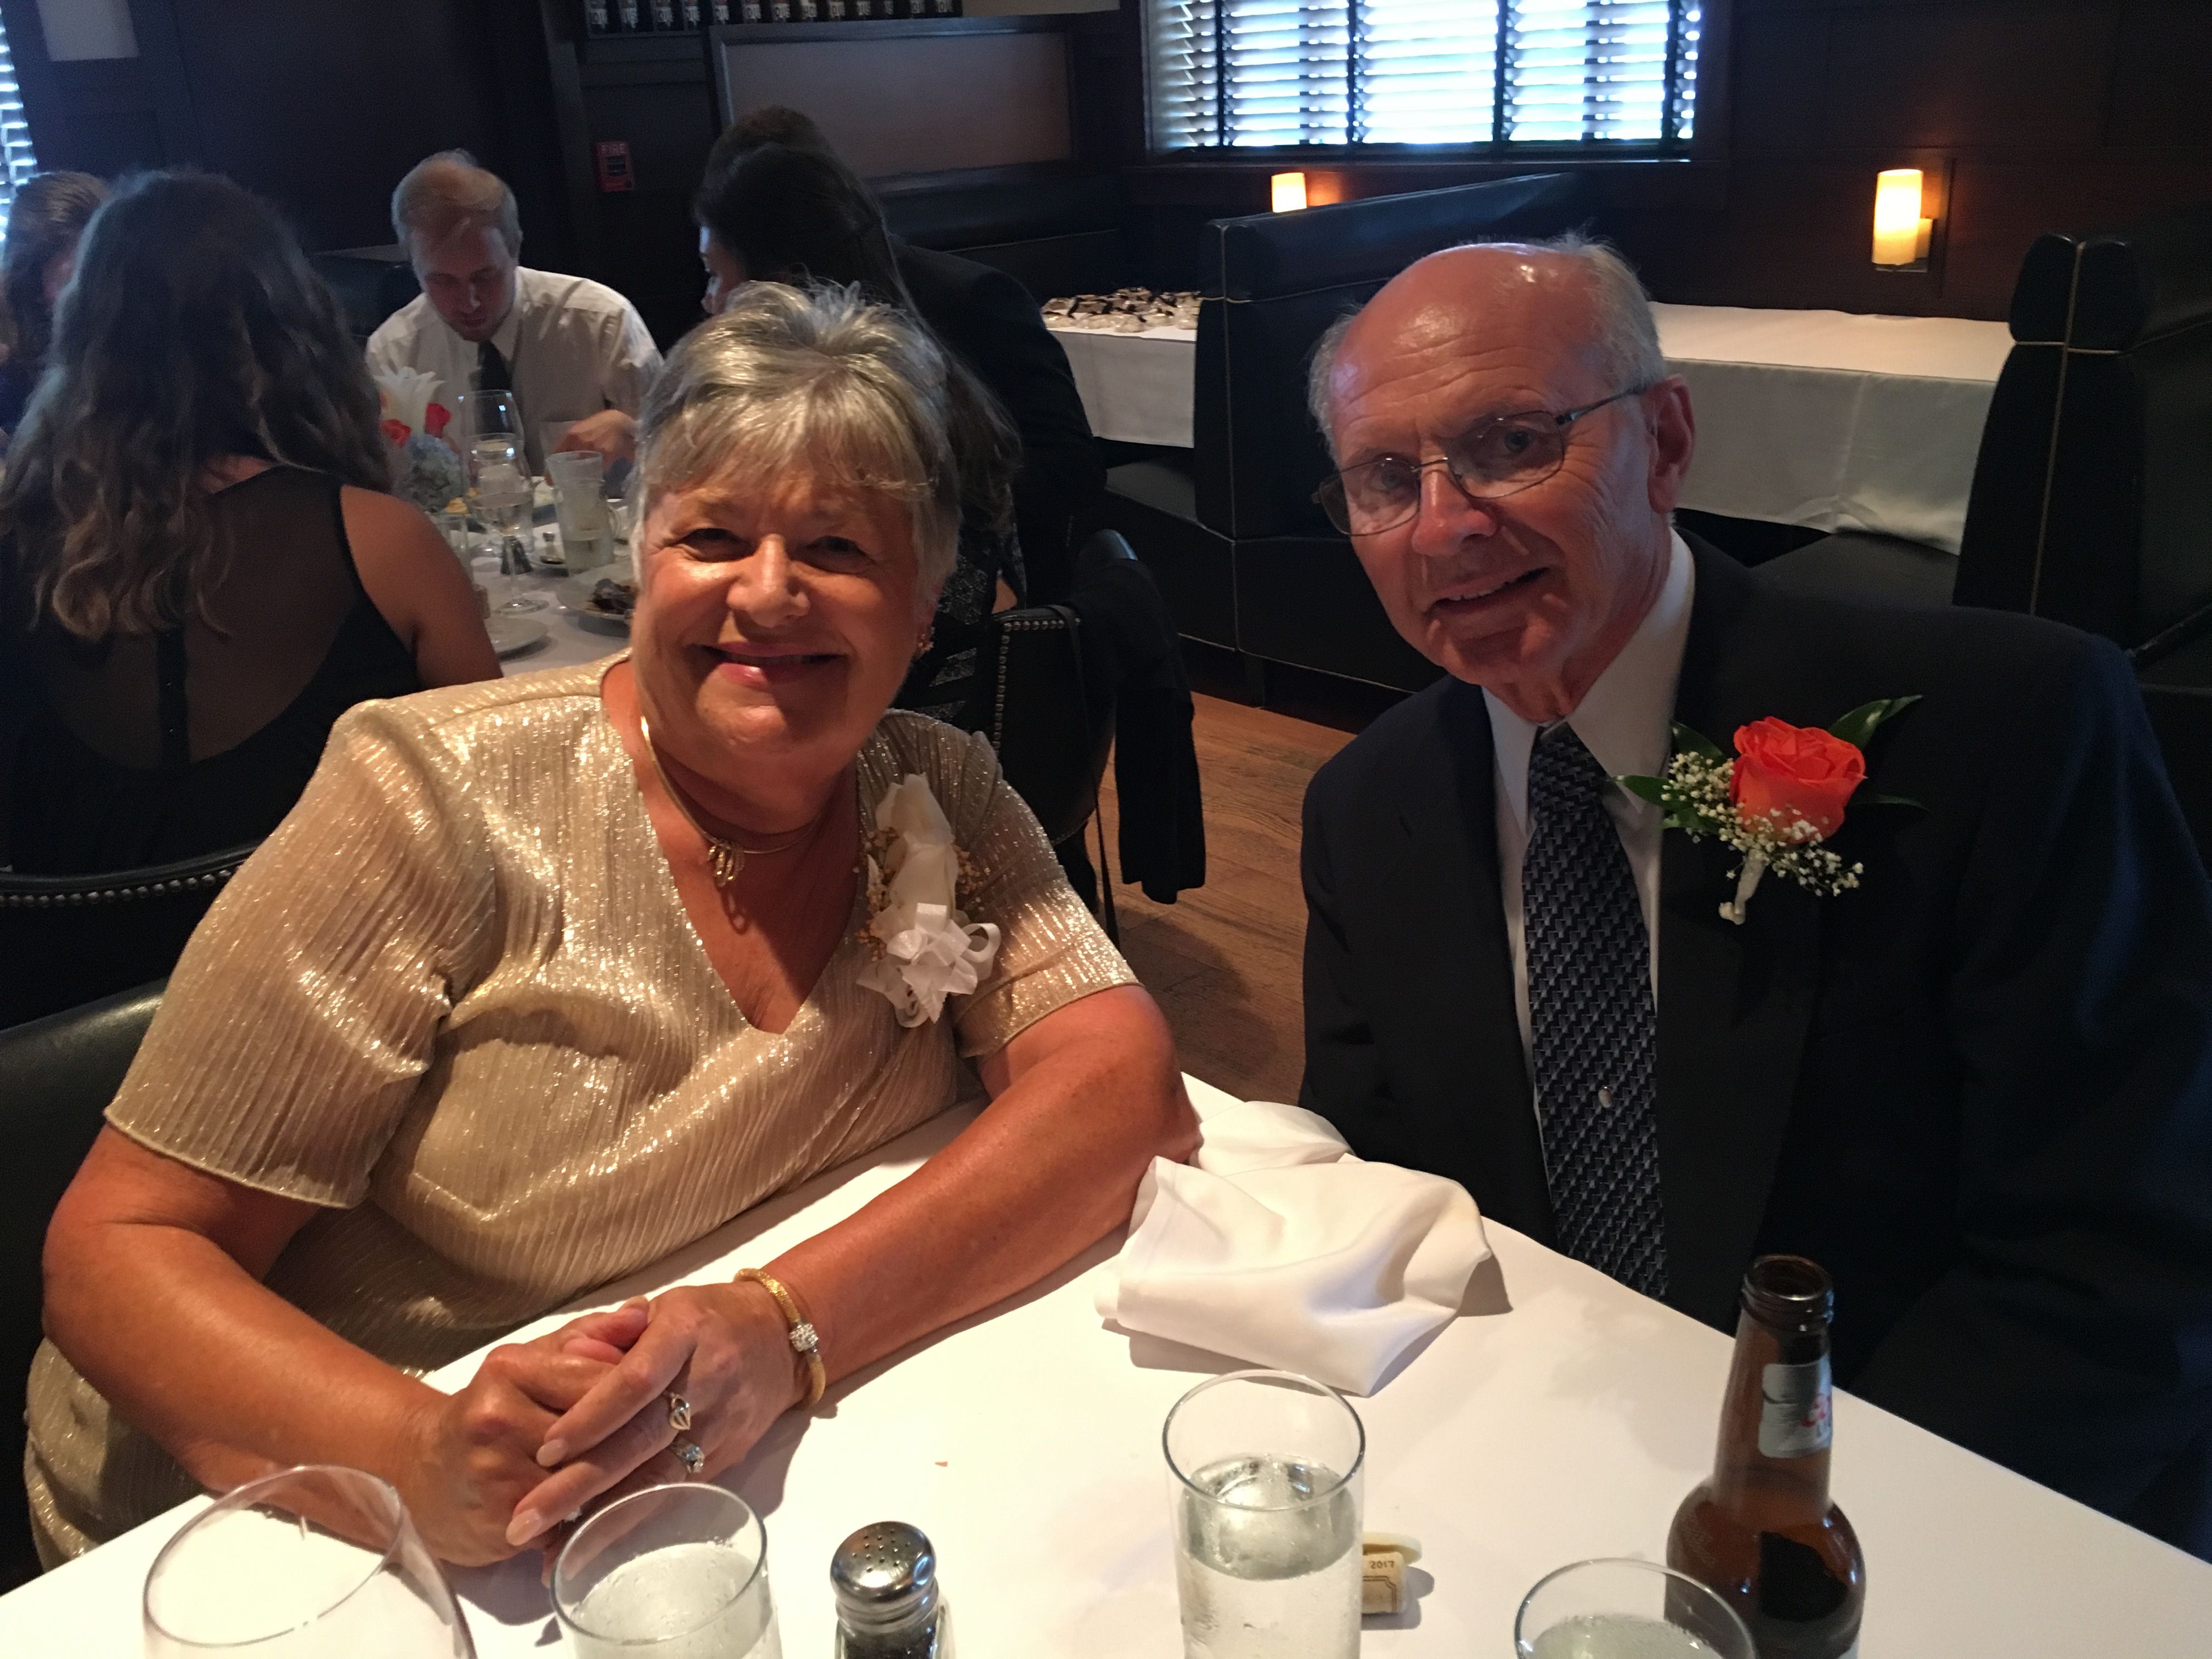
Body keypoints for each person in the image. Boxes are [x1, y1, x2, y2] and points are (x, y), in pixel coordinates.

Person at [27, 280, 1194, 1568]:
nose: (769, 594)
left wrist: (786, 1325)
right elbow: (118, 1251)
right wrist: (414, 1452)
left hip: (740, 1494)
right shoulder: (433, 797)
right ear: (638, 553)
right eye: (714, 537)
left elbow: (1123, 1089)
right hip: (280, 1531)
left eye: (837, 550)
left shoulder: (938, 786)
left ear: (923, 608)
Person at [1297, 236, 2212, 1555]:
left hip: (1905, 1517)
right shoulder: (1363, 811)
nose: (1444, 526)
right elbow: (1389, 1198)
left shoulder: (2008, 734)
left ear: (1667, 442)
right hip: (1522, 1491)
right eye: (1387, 479)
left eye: (1511, 443)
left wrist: (1790, 1542)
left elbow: (2117, 1265)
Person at [0, 169, 498, 879]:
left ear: (84, 342)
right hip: (343, 943)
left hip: (77, 953)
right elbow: (494, 793)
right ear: (291, 331)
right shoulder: (384, 545)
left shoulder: (17, 545)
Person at [699, 106, 1102, 606]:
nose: (708, 300)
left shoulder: (966, 302)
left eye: (714, 274)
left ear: (776, 273)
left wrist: (928, 507)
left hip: (981, 595)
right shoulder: (771, 353)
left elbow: (1070, 467)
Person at [690, 139, 1025, 725]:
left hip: (894, 733)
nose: (709, 301)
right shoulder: (941, 385)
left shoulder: (859, 429)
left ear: (778, 286)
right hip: (960, 710)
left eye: (716, 275)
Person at [366, 151, 661, 473]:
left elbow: (683, 451)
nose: (469, 302)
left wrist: (633, 433)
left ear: (516, 250)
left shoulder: (601, 322)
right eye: (442, 281)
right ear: (413, 267)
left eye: (485, 276)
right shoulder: (395, 353)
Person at [0, 171, 106, 437]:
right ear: (33, 291)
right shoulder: (11, 385)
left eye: (108, 275)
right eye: (75, 282)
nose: (103, 296)